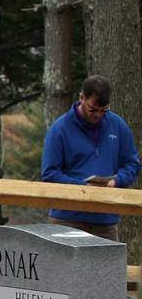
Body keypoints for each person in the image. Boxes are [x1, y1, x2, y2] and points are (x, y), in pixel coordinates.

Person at [42, 74, 140, 241]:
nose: (98, 115)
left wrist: (116, 181)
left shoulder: (118, 126)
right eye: (93, 109)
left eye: (104, 110)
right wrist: (83, 186)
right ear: (81, 98)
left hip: (105, 219)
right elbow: (49, 173)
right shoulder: (60, 129)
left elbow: (132, 163)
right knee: (65, 268)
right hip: (67, 218)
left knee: (108, 267)